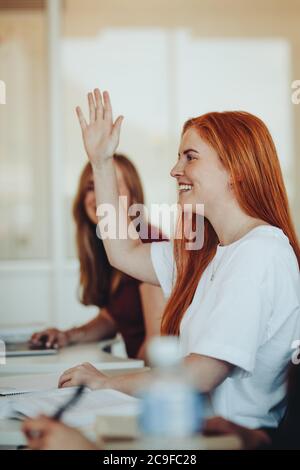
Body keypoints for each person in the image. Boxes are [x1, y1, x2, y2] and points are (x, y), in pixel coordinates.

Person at [26, 89, 300, 442]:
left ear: (236, 170)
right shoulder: (207, 251)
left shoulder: (261, 252)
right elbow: (121, 251)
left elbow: (201, 373)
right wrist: (101, 161)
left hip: (227, 439)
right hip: (188, 427)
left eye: (190, 157)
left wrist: (105, 383)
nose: (175, 170)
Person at [30, 156, 166, 362]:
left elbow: (157, 345)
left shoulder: (149, 241)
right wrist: (67, 336)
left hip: (153, 382)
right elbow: (112, 318)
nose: (101, 195)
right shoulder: (106, 247)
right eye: (92, 187)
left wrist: (122, 379)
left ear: (133, 196)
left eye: (110, 185)